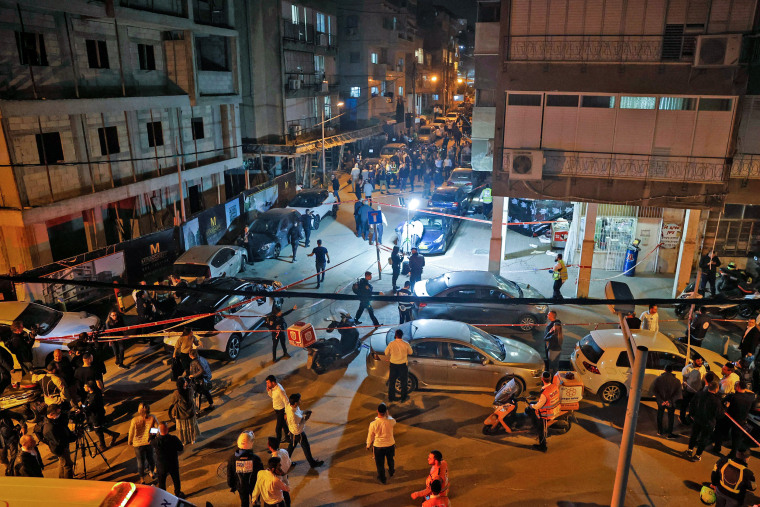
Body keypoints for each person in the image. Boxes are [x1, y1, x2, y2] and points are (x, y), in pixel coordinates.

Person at [687, 381, 723, 462]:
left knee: (694, 435)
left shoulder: (699, 394)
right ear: (716, 389)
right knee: (704, 439)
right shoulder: (716, 401)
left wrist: (692, 415)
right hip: (708, 423)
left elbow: (692, 404)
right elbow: (719, 414)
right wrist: (725, 408)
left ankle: (690, 449)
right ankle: (697, 455)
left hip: (697, 419)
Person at [718, 379, 755, 457]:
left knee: (720, 431)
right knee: (736, 438)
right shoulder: (750, 397)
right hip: (741, 420)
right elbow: (752, 393)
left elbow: (722, 403)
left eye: (736, 385)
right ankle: (733, 453)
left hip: (730, 418)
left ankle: (717, 447)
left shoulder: (732, 396)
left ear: (738, 387)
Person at [285, 393, 324, 468]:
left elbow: (298, 412)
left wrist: (304, 412)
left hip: (292, 432)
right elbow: (300, 423)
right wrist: (307, 418)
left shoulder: (289, 406)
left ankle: (286, 461)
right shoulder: (294, 415)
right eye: (299, 400)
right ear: (296, 403)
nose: (301, 401)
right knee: (306, 448)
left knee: (291, 448)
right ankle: (312, 464)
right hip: (298, 433)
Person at [227, 431, 264, 507]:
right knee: (256, 502)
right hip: (254, 486)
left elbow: (230, 475)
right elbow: (261, 474)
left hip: (241, 487)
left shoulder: (232, 459)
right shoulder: (256, 459)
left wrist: (232, 486)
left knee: (244, 503)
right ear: (251, 444)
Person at [526, 371, 560, 452]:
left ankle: (543, 446)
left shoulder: (544, 394)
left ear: (542, 379)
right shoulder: (554, 386)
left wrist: (532, 406)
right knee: (531, 404)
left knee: (541, 430)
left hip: (546, 414)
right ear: (550, 378)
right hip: (554, 408)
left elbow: (538, 406)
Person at [82, 381, 119, 451]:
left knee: (98, 430)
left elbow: (91, 406)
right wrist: (84, 407)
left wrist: (85, 408)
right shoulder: (89, 394)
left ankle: (103, 445)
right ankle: (113, 434)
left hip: (97, 415)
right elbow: (85, 403)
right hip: (92, 415)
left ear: (89, 388)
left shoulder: (95, 395)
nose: (84, 387)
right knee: (98, 428)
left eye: (85, 386)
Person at [152, 422, 185, 498]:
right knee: (176, 479)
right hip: (173, 463)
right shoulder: (173, 438)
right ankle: (178, 493)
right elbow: (181, 448)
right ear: (167, 429)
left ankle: (164, 496)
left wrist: (152, 435)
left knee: (162, 481)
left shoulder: (156, 441)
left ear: (159, 431)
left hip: (161, 465)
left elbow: (150, 441)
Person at [128, 402, 158, 484]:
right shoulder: (152, 417)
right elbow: (157, 428)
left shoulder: (135, 420)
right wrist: (152, 433)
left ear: (139, 410)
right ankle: (151, 472)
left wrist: (130, 441)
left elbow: (131, 432)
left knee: (140, 462)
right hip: (148, 442)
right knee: (151, 459)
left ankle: (142, 479)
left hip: (138, 444)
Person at [41, 404, 74, 478]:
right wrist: (72, 438)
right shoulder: (50, 427)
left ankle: (61, 478)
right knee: (68, 465)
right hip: (60, 448)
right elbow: (59, 441)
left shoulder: (53, 421)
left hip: (58, 448)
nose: (60, 414)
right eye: (58, 413)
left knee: (63, 463)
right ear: (52, 414)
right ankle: (69, 482)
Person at [366, 403, 396, 484]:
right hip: (390, 445)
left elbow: (370, 436)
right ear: (386, 411)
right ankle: (391, 471)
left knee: (380, 464)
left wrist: (368, 445)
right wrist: (388, 415)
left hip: (378, 447)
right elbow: (393, 420)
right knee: (390, 459)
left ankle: (382, 478)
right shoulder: (391, 421)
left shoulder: (373, 424)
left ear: (377, 411)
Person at [652, 364, 682, 438]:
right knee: (671, 417)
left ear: (664, 370)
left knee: (660, 415)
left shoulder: (658, 379)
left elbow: (654, 390)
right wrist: (669, 400)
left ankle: (660, 431)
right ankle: (669, 433)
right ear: (672, 371)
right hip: (671, 403)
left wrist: (661, 400)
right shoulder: (677, 381)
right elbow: (678, 393)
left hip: (661, 401)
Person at [169, 377, 200, 445]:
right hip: (190, 412)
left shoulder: (176, 393)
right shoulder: (190, 390)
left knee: (183, 429)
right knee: (191, 427)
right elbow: (193, 395)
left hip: (181, 413)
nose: (186, 382)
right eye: (185, 382)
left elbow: (173, 401)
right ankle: (192, 439)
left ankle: (184, 440)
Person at [385, 329, 413, 403]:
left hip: (393, 365)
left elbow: (386, 353)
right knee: (404, 382)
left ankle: (391, 397)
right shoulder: (406, 344)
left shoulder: (391, 344)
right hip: (403, 365)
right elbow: (411, 352)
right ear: (402, 335)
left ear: (395, 335)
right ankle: (403, 398)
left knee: (392, 381)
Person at [681, 357, 707, 425]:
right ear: (693, 361)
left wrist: (703, 389)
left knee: (694, 406)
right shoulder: (687, 368)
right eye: (698, 361)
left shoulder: (703, 368)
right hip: (689, 391)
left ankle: (690, 418)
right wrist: (685, 390)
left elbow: (703, 379)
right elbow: (684, 380)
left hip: (698, 391)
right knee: (684, 405)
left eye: (701, 361)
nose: (700, 362)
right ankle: (682, 418)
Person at [0, 407, 26, 476]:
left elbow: (19, 416)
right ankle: (9, 468)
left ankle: (13, 471)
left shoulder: (4, 412)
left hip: (11, 438)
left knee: (14, 456)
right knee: (2, 459)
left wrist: (23, 427)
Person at [266, 375, 291, 444]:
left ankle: (276, 445)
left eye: (268, 383)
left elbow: (286, 401)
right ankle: (288, 438)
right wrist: (269, 391)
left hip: (281, 411)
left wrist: (286, 413)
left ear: (273, 382)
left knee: (278, 429)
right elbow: (273, 397)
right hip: (276, 409)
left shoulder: (280, 390)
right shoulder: (273, 388)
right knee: (283, 425)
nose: (267, 385)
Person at [268, 437, 292, 507]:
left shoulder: (274, 459)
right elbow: (289, 462)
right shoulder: (284, 451)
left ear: (269, 446)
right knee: (286, 493)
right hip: (285, 476)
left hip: (279, 479)